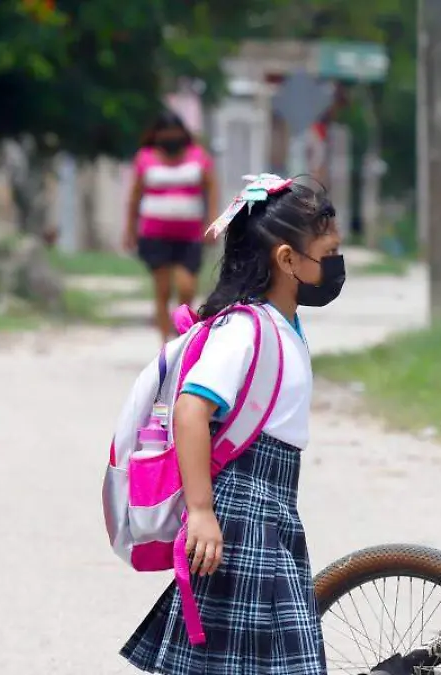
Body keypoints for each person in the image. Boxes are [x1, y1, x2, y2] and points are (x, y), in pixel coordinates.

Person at [121, 175, 344, 675]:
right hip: (242, 515)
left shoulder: (283, 325)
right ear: (288, 260)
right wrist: (201, 511)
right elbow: (190, 409)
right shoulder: (244, 328)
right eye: (328, 251)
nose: (335, 264)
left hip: (272, 508)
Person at [125, 110, 220, 343]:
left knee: (186, 288)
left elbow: (212, 188)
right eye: (164, 132)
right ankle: (164, 343)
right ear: (156, 135)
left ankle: (183, 337)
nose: (170, 136)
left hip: (189, 236)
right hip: (154, 234)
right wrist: (130, 228)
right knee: (163, 289)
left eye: (173, 131)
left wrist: (212, 222)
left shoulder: (198, 156)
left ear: (182, 133)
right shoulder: (145, 157)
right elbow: (135, 195)